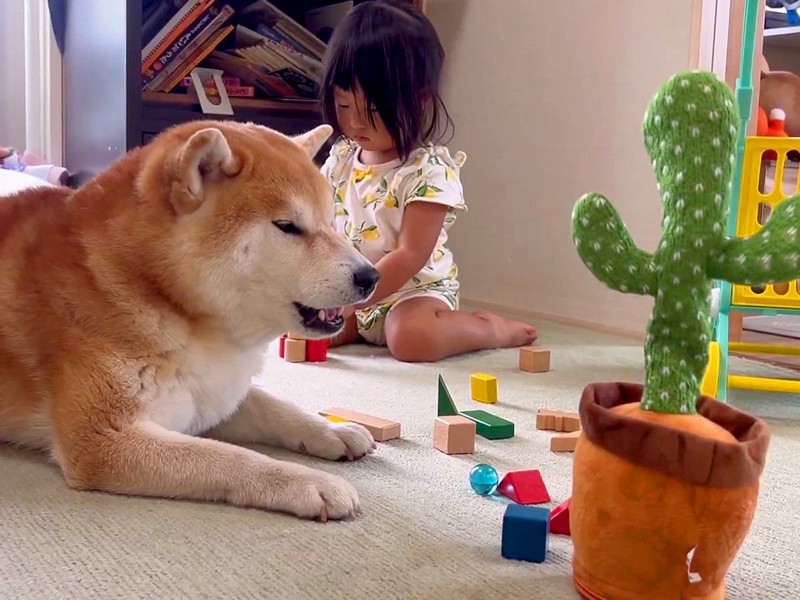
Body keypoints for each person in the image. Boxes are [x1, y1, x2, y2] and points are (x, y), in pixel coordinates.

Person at [319, 0, 537, 362]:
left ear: (418, 101)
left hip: (414, 295)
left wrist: (354, 298)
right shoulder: (341, 159)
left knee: (410, 338)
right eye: (343, 106)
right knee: (307, 329)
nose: (355, 123)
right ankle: (358, 321)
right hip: (356, 294)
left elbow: (411, 254)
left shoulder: (427, 171)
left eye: (371, 110)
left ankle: (490, 329)